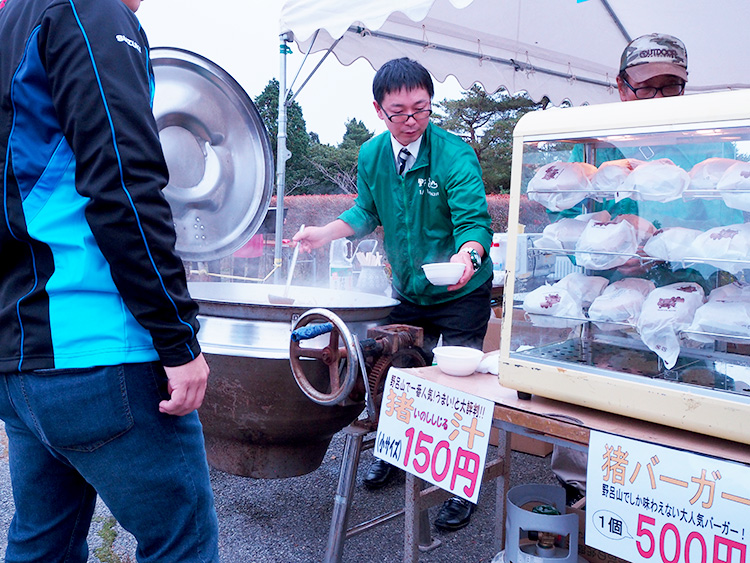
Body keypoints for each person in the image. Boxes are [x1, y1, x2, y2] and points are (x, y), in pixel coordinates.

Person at [0, 0, 219, 561]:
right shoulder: (89, 11)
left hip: (20, 358)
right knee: (181, 543)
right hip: (97, 349)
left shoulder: (12, 21)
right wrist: (178, 337)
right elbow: (122, 181)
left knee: (41, 542)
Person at [294, 57, 493, 532]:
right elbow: (366, 211)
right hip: (408, 289)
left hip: (460, 289)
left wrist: (467, 258)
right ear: (378, 110)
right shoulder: (372, 155)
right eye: (398, 112)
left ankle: (461, 488)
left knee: (459, 389)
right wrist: (324, 233)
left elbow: (475, 223)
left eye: (420, 110)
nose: (409, 122)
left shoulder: (454, 154)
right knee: (393, 377)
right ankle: (394, 453)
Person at [552, 32, 742, 505]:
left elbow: (724, 228)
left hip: (688, 303)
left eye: (670, 86)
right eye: (647, 87)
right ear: (621, 86)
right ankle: (588, 501)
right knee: (602, 420)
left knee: (679, 424)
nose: (659, 97)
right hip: (611, 312)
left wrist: (660, 240)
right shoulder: (594, 146)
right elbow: (574, 227)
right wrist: (607, 246)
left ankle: (669, 504)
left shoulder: (704, 141)